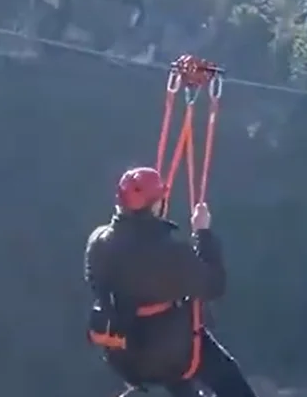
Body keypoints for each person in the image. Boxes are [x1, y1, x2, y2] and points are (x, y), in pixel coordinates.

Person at [85, 166, 256, 397]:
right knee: (229, 381)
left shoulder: (98, 242)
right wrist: (203, 232)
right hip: (170, 355)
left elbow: (98, 284)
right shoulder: (170, 253)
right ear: (155, 205)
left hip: (124, 354)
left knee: (176, 378)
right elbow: (215, 284)